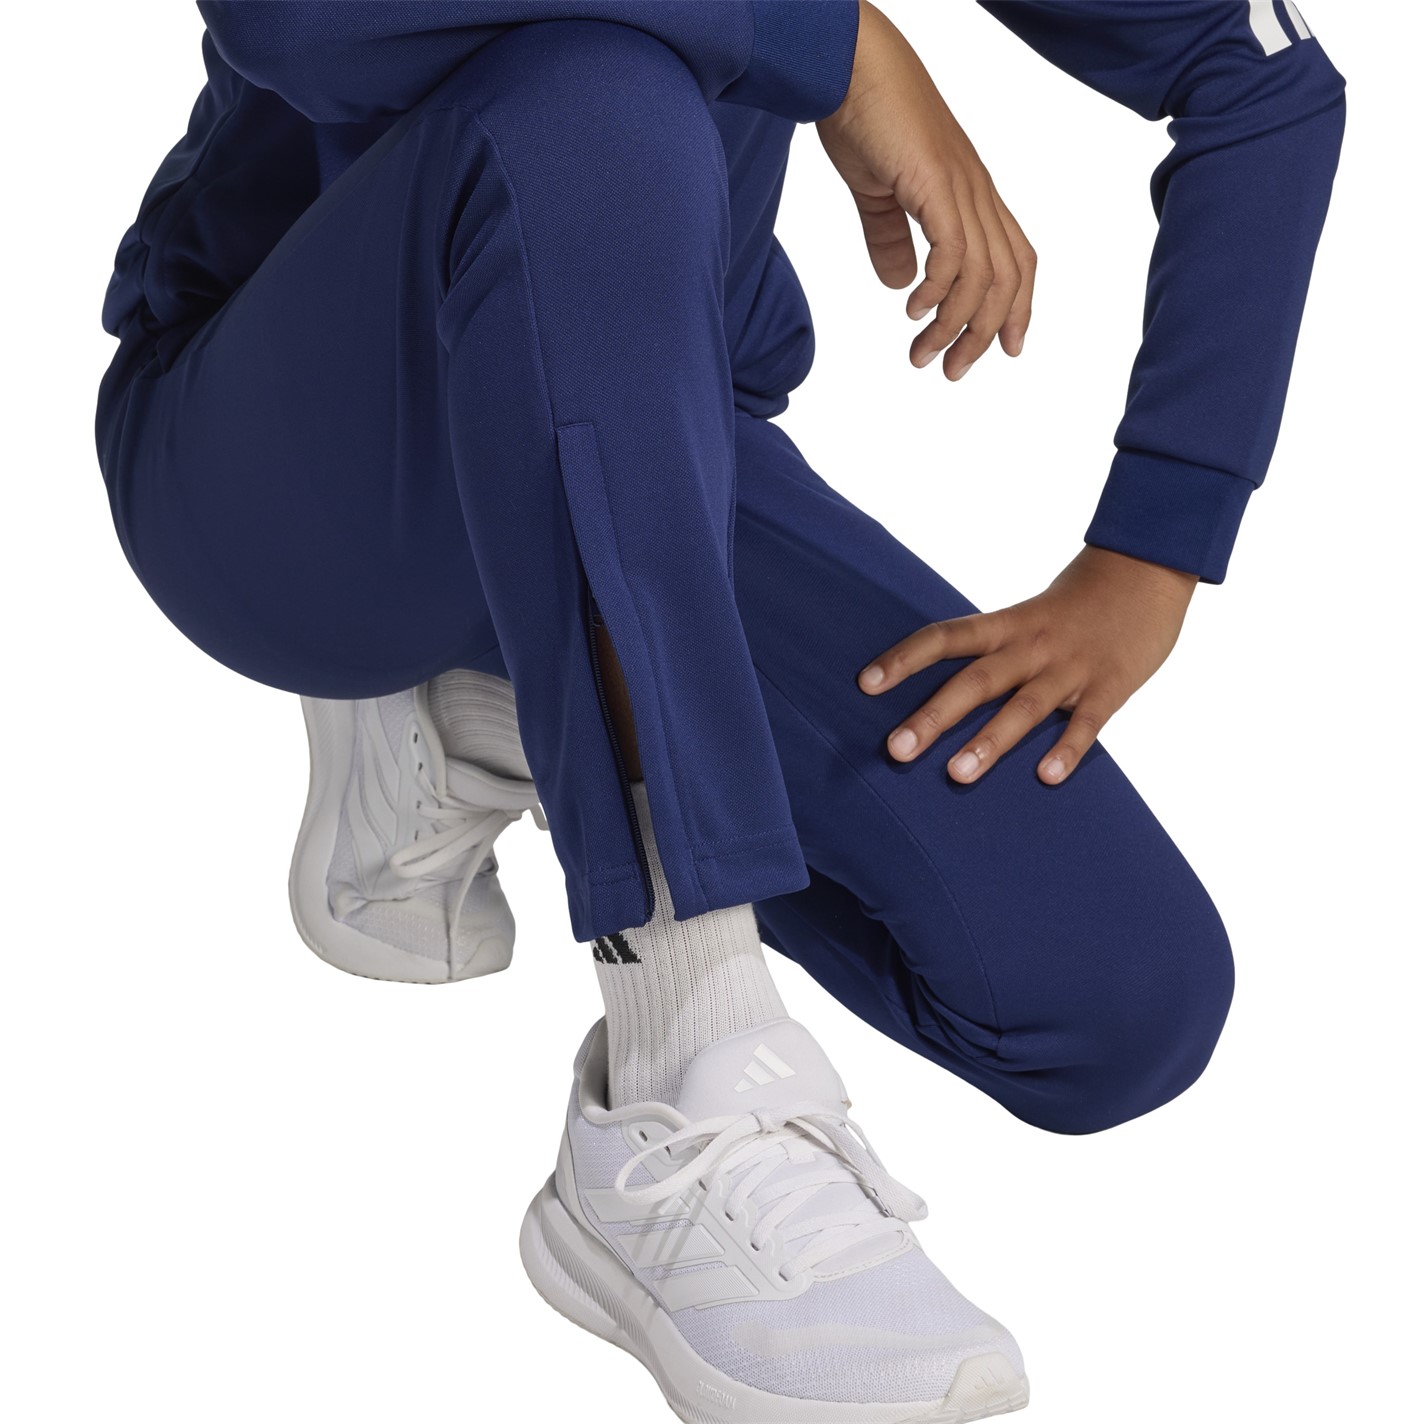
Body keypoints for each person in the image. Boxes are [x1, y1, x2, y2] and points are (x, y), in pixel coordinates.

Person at [95, 2, 1344, 1419]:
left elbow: (1262, 81)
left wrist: (1153, 551)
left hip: (640, 442)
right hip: (288, 479)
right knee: (596, 96)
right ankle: (684, 1066)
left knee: (1115, 993)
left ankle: (473, 711)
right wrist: (836, 40)